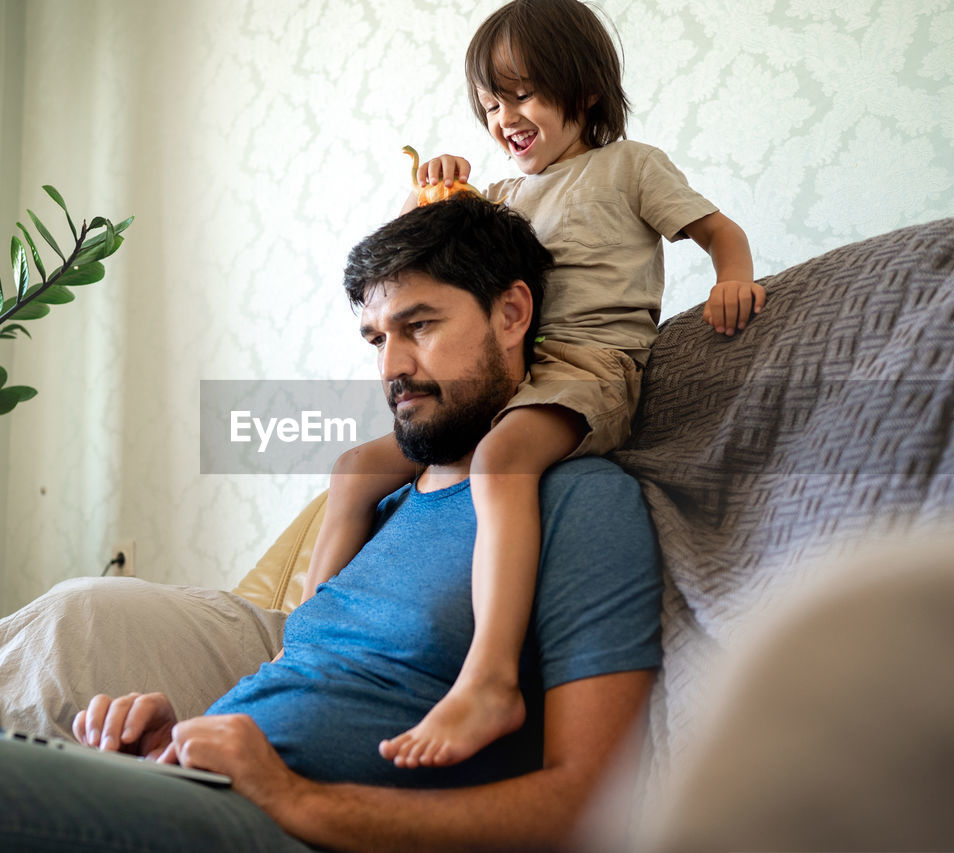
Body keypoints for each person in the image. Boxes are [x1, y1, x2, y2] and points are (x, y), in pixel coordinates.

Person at [0, 196, 663, 852]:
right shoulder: (382, 505)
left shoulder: (578, 504)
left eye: (419, 325)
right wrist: (178, 730)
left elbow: (584, 806)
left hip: (286, 825)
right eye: (377, 338)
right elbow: (307, 688)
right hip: (193, 782)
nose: (393, 364)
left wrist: (297, 799)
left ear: (513, 313)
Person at [304, 0, 759, 770]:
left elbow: (719, 231)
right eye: (488, 106)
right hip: (512, 376)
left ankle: (490, 676)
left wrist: (733, 277)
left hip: (589, 366)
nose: (502, 118)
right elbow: (419, 268)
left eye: (519, 95)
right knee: (354, 469)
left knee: (499, 462)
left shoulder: (630, 166)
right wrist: (432, 189)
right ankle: (304, 647)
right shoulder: (506, 199)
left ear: (580, 90)